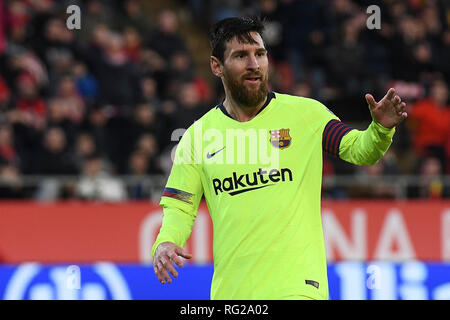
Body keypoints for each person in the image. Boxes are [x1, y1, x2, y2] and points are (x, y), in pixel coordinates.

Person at [152, 17, 407, 300]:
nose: (254, 64)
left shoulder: (306, 115)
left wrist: (380, 129)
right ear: (216, 66)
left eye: (260, 54)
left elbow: (360, 149)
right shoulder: (197, 137)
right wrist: (165, 242)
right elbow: (179, 206)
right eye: (241, 56)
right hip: (233, 293)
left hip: (299, 287)